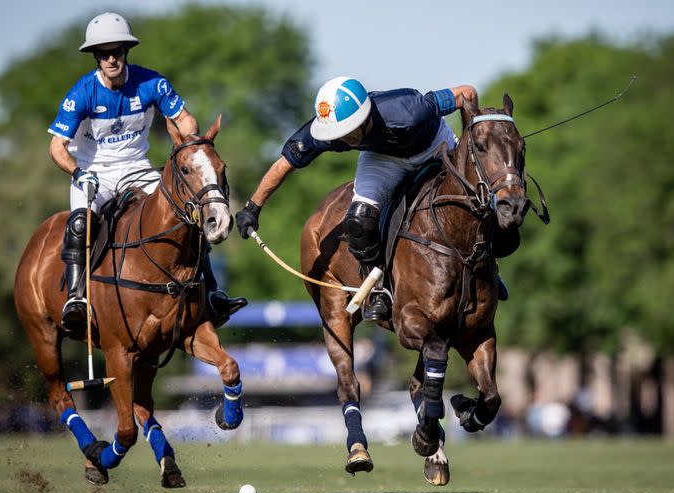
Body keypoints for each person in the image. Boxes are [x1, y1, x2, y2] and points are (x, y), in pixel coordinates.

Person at [236, 76, 507, 322]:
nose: (341, 139)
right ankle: (378, 288)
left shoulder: (410, 109)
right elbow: (285, 164)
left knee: (476, 198)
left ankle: (487, 270)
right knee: (358, 220)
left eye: (347, 131)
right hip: (383, 158)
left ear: (364, 118)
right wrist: (253, 207)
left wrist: (469, 150)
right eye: (336, 134)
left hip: (432, 145)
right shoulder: (328, 128)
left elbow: (467, 94)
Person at [48, 12, 246, 331]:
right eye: (103, 53)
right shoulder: (82, 93)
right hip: (94, 174)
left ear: (126, 51)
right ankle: (76, 297)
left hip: (138, 169)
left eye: (117, 51)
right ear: (95, 57)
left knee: (186, 213)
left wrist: (189, 140)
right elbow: (57, 147)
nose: (111, 58)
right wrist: (77, 172)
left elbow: (185, 119)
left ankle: (211, 293)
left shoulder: (151, 83)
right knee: (79, 224)